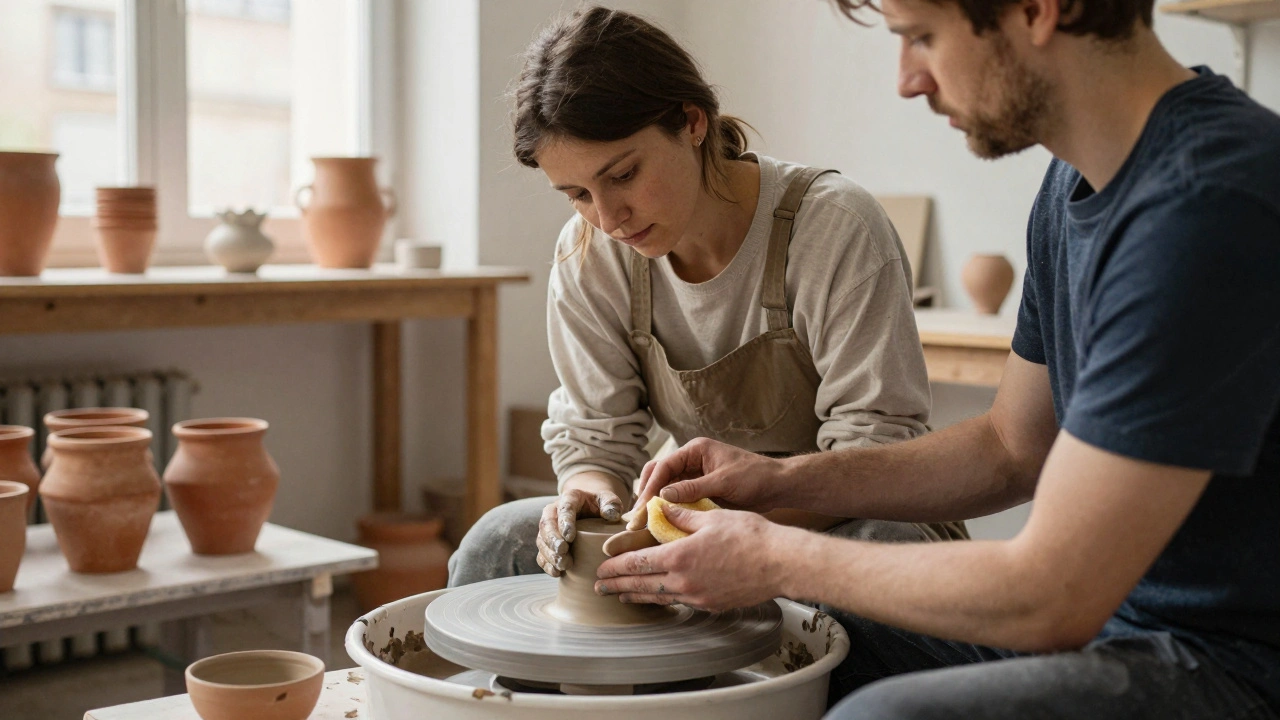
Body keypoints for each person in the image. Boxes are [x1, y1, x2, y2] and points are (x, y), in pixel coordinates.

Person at [599, 0, 1280, 718]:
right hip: (1121, 624)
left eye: (921, 38)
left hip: (1236, 663)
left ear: (1038, 11)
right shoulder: (1072, 187)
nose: (907, 80)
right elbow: (1009, 449)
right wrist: (776, 481)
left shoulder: (1207, 205)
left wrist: (771, 556)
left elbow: (1052, 596)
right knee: (800, 628)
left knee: (874, 710)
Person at [447, 6, 967, 588]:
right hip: (694, 526)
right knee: (495, 544)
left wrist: (734, 536)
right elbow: (597, 438)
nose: (609, 217)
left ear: (692, 122)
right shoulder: (591, 250)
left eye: (622, 175)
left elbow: (876, 450)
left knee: (882, 541)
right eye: (577, 193)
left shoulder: (833, 227)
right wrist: (588, 499)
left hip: (850, 520)